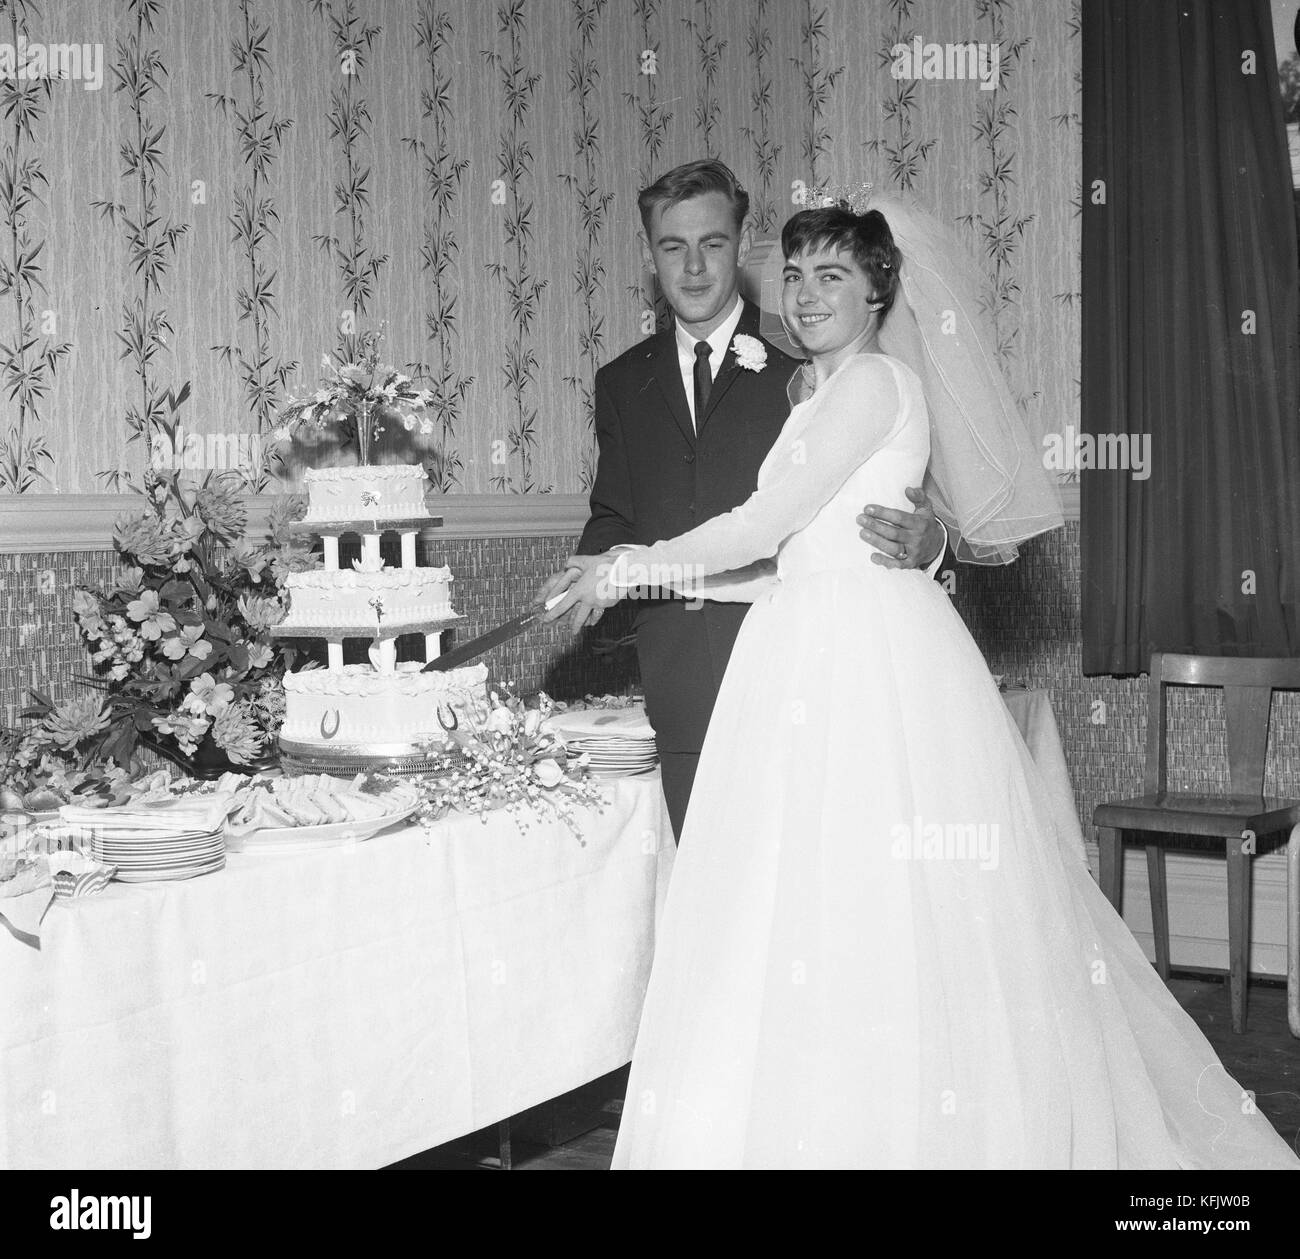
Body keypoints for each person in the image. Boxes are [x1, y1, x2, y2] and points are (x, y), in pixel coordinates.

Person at [548, 199, 1299, 1169]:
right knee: (811, 901)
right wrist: (623, 571)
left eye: (832, 275)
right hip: (798, 639)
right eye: (797, 274)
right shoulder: (809, 396)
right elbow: (771, 561)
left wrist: (625, 564)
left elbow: (760, 519)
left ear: (876, 289)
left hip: (868, 659)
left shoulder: (872, 381)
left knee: (885, 900)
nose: (809, 292)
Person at [537, 160, 947, 840]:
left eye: (714, 243)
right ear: (651, 256)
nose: (694, 267)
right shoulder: (621, 382)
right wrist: (602, 567)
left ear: (742, 243)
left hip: (820, 671)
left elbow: (786, 523)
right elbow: (622, 514)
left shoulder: (811, 368)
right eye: (674, 247)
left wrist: (933, 546)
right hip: (685, 675)